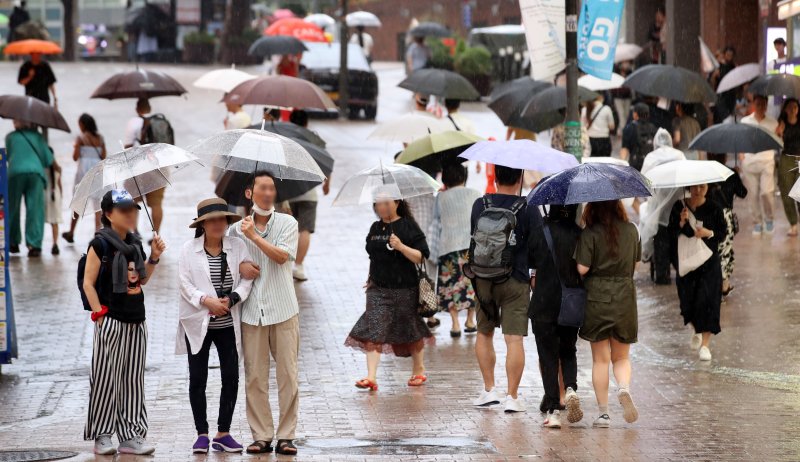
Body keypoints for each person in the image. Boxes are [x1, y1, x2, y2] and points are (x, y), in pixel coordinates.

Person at [83, 189, 166, 455]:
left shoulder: (134, 244)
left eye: (132, 210)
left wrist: (153, 257)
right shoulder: (100, 245)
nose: (130, 215)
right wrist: (99, 315)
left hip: (136, 319)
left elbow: (141, 281)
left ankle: (131, 435)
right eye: (123, 210)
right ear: (108, 214)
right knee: (106, 379)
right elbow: (88, 283)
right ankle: (103, 435)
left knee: (132, 380)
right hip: (110, 320)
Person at [229, 171, 300, 456]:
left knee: (288, 375)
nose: (268, 193)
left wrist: (254, 238)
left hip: (283, 309)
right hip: (251, 312)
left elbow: (282, 256)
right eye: (262, 188)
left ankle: (286, 435)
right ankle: (261, 435)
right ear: (250, 193)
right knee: (255, 376)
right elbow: (230, 263)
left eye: (271, 188)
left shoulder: (287, 223)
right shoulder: (236, 230)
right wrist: (240, 268)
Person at [177, 198, 254, 454]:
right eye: (212, 220)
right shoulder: (189, 249)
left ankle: (223, 433)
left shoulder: (237, 246)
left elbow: (246, 280)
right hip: (198, 322)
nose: (218, 224)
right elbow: (184, 284)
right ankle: (201, 433)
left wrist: (232, 299)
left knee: (231, 376)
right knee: (198, 378)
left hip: (227, 324)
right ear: (202, 224)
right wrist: (206, 300)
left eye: (222, 219)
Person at [345, 186, 434, 390]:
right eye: (378, 203)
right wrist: (370, 278)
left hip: (406, 288)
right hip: (378, 288)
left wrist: (401, 246)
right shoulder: (375, 228)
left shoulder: (408, 226)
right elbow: (373, 256)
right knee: (375, 327)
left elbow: (421, 256)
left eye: (386, 202)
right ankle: (371, 377)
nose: (382, 207)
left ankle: (418, 370)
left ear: (397, 203)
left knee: (410, 329)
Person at [470, 166, 538, 413]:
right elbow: (537, 245)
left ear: (495, 177)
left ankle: (489, 390)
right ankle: (512, 396)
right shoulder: (528, 207)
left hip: (484, 278)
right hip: (516, 278)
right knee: (514, 339)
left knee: (484, 332)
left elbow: (473, 238)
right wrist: (534, 273)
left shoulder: (481, 204)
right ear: (520, 177)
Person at [575, 200, 641, 428]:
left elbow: (582, 268)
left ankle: (603, 414)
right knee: (621, 357)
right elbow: (636, 263)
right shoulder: (632, 230)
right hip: (625, 298)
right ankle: (623, 388)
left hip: (597, 299)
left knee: (600, 360)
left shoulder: (590, 233)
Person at [528, 204, 583, 429]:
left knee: (548, 356)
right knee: (568, 350)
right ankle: (569, 388)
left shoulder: (541, 231)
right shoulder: (579, 233)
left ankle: (553, 411)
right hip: (570, 302)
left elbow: (530, 261)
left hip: (543, 303)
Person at [668, 184, 726, 361]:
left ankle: (705, 345)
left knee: (708, 301)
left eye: (703, 186)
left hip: (709, 263)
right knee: (688, 302)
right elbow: (670, 233)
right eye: (695, 187)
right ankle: (696, 328)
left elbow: (722, 233)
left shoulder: (715, 207)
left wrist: (709, 233)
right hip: (686, 263)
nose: (699, 190)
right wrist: (681, 222)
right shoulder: (679, 206)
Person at [428, 162, 481, 337]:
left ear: (445, 179)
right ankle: (471, 320)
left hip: (447, 247)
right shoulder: (475, 194)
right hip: (471, 247)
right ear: (463, 177)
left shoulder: (440, 198)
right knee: (473, 285)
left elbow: (435, 223)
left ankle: (455, 324)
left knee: (450, 286)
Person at [286, 109, 331, 281]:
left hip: (287, 193)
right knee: (304, 230)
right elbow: (326, 160)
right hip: (309, 193)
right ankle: (299, 266)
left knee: (286, 230)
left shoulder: (286, 139)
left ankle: (285, 264)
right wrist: (328, 182)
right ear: (306, 122)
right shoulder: (313, 139)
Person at [639, 129, 686, 285]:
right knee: (677, 238)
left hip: (657, 207)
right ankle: (681, 269)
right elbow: (687, 179)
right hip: (677, 206)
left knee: (661, 240)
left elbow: (643, 182)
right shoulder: (679, 155)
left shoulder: (651, 158)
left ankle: (661, 274)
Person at [6, 119, 53, 257]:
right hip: (35, 174)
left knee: (13, 208)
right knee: (35, 209)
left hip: (15, 173)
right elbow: (48, 159)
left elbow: (8, 157)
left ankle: (13, 242)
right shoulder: (37, 136)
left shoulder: (10, 137)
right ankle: (34, 245)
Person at [124, 98, 165, 238]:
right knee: (157, 204)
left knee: (133, 201)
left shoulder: (133, 122)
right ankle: (156, 234)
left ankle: (135, 231)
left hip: (138, 167)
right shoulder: (160, 121)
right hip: (159, 166)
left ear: (137, 108)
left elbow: (128, 146)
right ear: (150, 107)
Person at [707, 154, 747, 296]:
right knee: (725, 251)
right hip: (725, 217)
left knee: (711, 251)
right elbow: (743, 193)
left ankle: (718, 285)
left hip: (707, 216)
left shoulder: (705, 174)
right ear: (724, 157)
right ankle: (722, 286)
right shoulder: (730, 173)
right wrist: (736, 175)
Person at [63, 114, 106, 243]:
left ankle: (71, 233)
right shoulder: (100, 138)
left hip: (84, 173)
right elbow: (104, 156)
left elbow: (75, 157)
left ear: (83, 124)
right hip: (98, 171)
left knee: (78, 202)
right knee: (97, 204)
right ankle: (98, 232)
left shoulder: (80, 138)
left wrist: (76, 147)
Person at [740, 95, 778, 235]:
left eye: (763, 104)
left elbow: (778, 140)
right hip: (749, 161)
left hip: (767, 160)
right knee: (753, 194)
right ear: (754, 104)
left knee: (766, 192)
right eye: (758, 103)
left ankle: (770, 218)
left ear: (767, 105)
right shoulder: (745, 121)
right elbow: (740, 138)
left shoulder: (772, 122)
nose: (761, 106)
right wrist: (741, 155)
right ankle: (757, 221)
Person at [776, 98, 800, 237]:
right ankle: (793, 224)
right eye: (790, 107)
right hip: (786, 159)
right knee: (786, 193)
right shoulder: (782, 123)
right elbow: (777, 142)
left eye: (795, 107)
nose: (792, 109)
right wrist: (779, 133)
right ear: (785, 109)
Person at [621, 103, 657, 171]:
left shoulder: (629, 128)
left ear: (635, 114)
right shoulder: (653, 128)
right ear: (648, 114)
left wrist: (621, 164)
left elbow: (624, 149)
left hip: (635, 165)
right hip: (650, 164)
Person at [44, 159, 62, 255]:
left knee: (40, 222)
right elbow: (60, 185)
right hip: (55, 195)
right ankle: (55, 244)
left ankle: (36, 245)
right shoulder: (58, 169)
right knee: (54, 222)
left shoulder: (42, 168)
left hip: (45, 195)